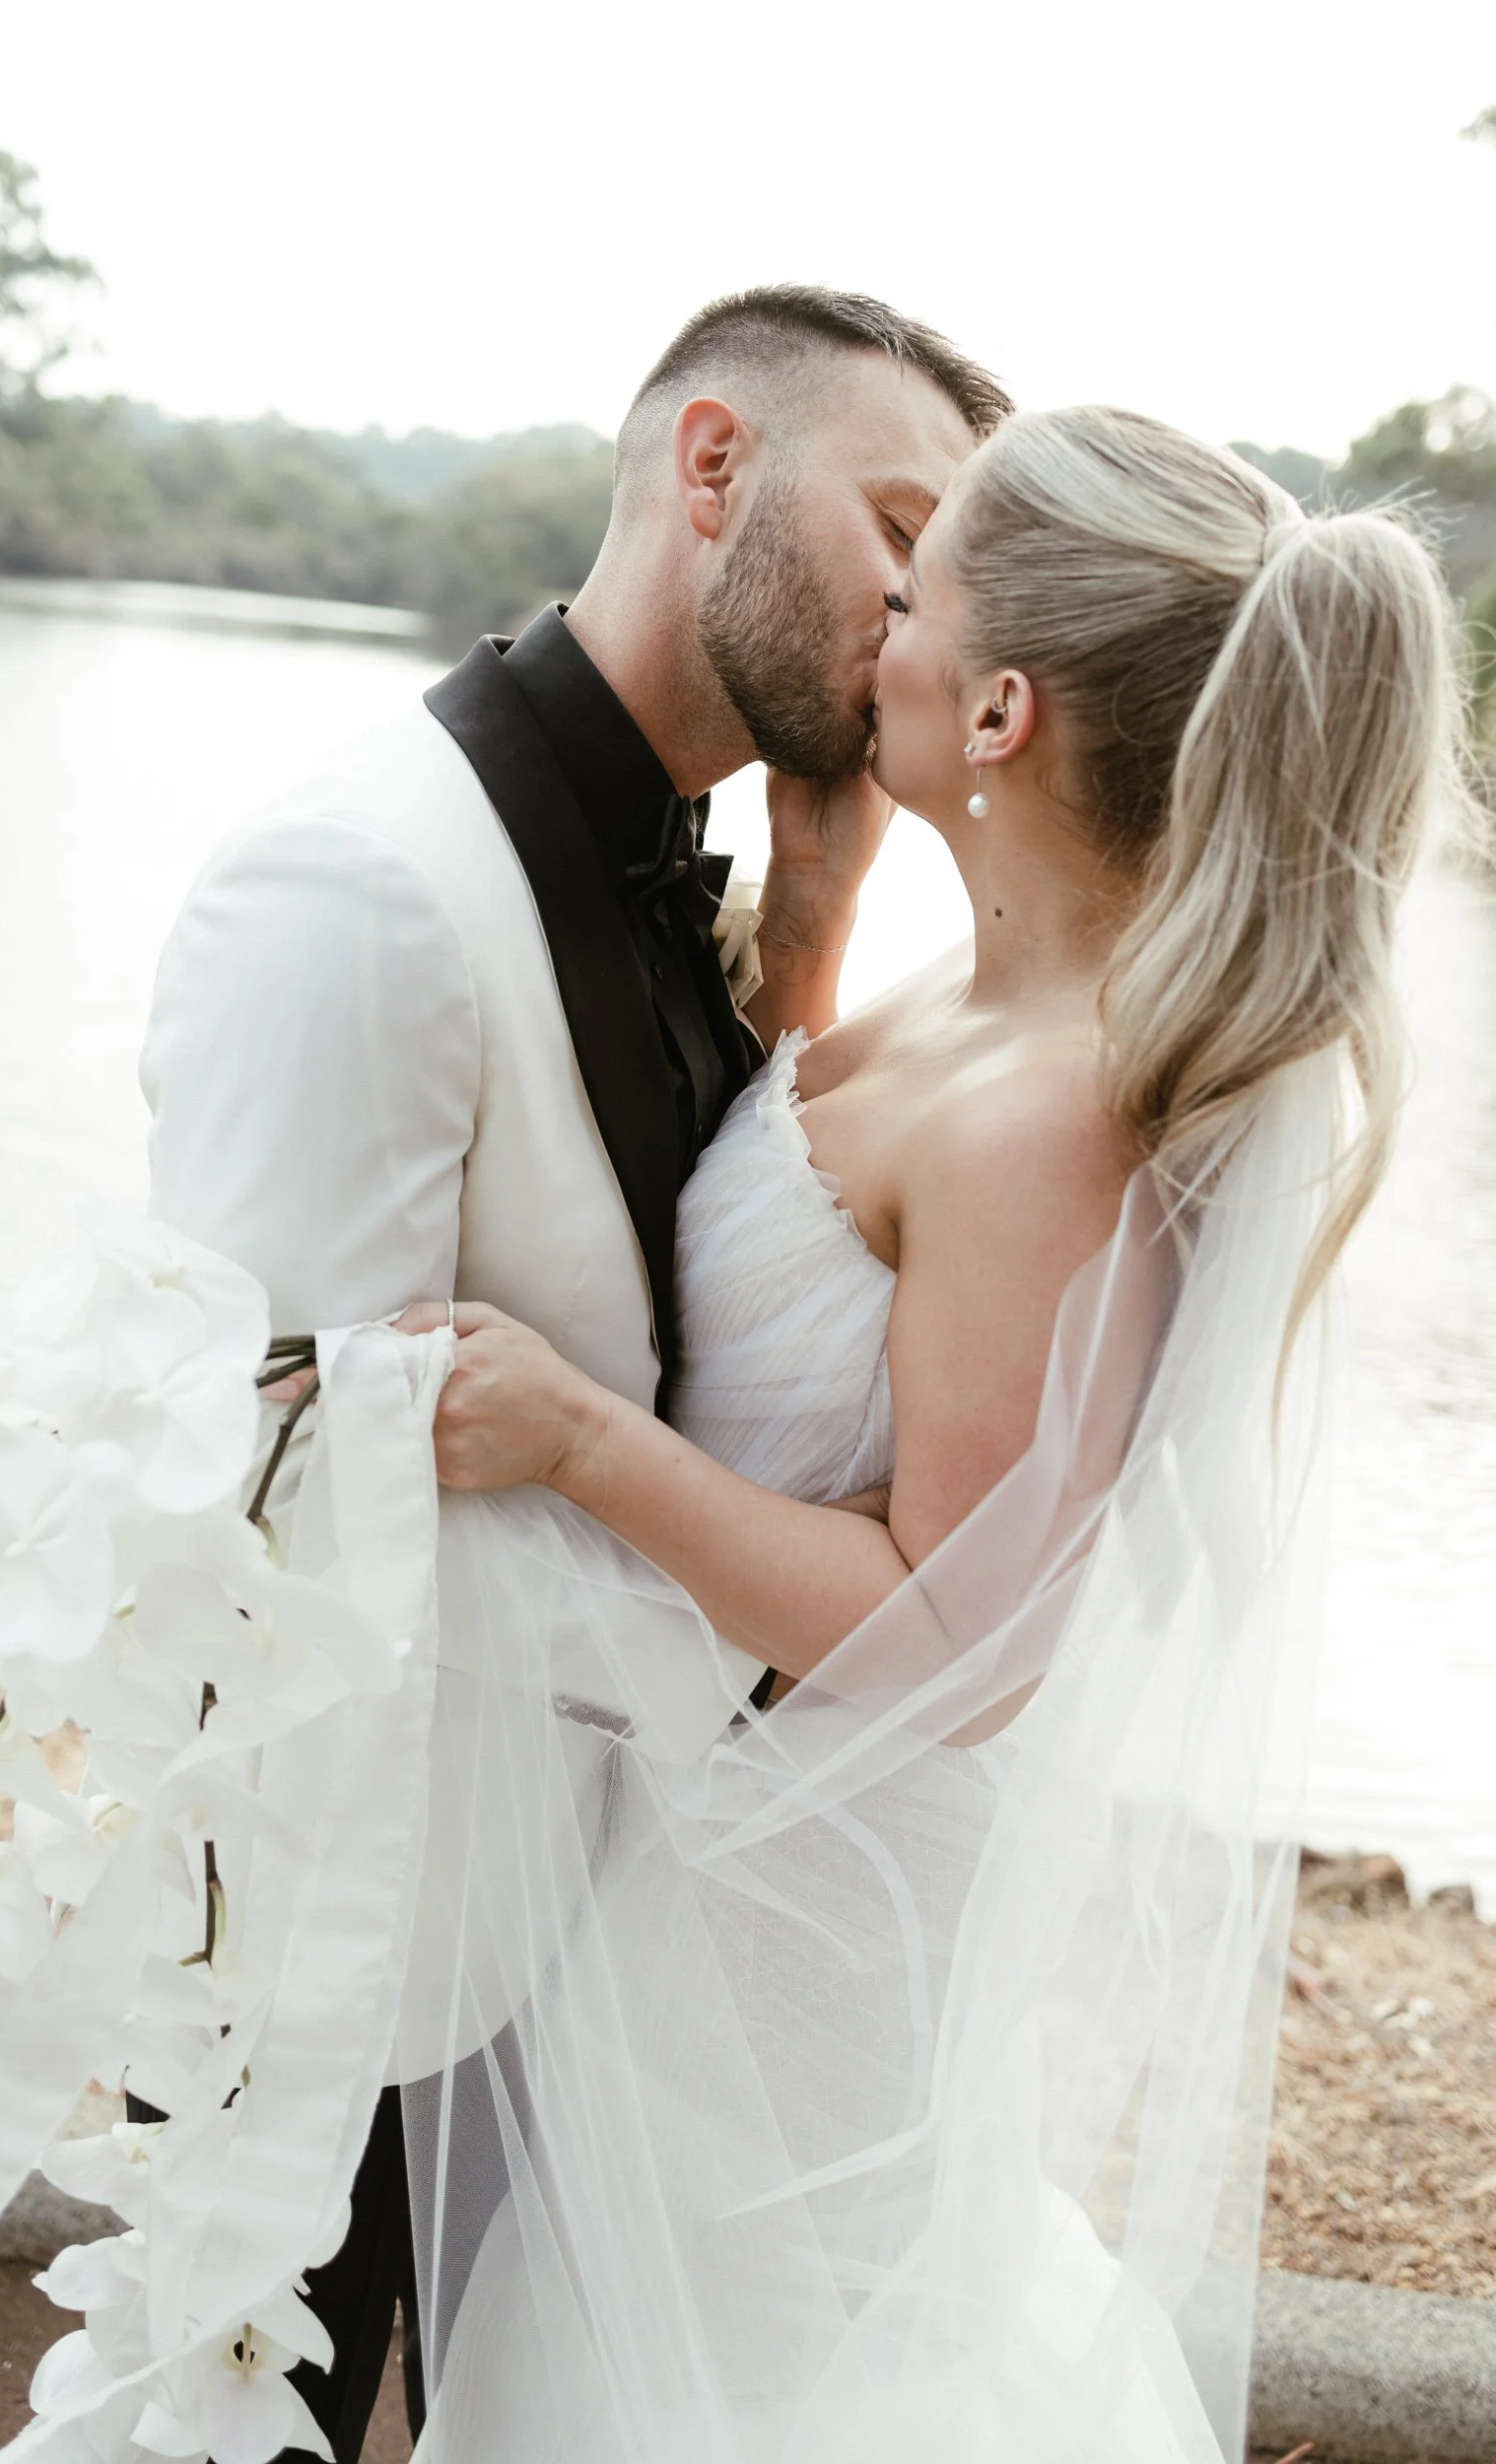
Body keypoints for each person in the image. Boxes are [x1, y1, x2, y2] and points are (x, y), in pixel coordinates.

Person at [375, 406, 1464, 2458]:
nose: (871, 620)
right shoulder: (977, 1000)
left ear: (998, 708)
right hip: (707, 1842)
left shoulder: (1048, 1113)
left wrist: (577, 1438)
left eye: (915, 588)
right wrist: (808, 924)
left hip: (796, 1929)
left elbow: (962, 1640)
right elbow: (836, 1322)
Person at [136, 285, 1010, 2455]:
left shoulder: (723, 878)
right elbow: (276, 1490)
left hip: (589, 1941)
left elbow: (699, 1300)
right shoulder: (365, 878)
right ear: (712, 466)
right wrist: (773, 1619)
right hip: (341, 1941)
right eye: (899, 531)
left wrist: (801, 942)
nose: (919, 612)